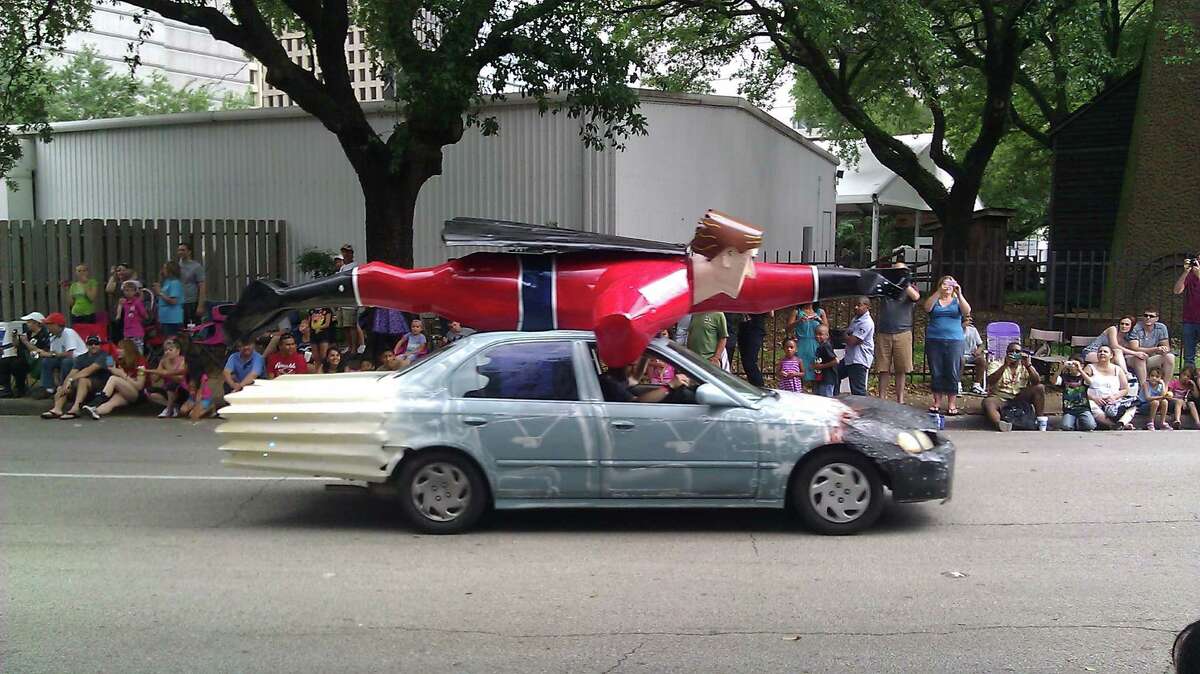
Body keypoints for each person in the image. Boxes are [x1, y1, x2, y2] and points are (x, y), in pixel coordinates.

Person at [227, 211, 911, 368]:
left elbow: (769, 286)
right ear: (724, 260)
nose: (750, 276)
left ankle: (288, 295)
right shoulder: (671, 283)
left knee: (418, 287)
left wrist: (860, 278)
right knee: (418, 289)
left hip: (516, 290)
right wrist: (642, 342)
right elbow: (617, 328)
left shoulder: (696, 281)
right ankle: (284, 297)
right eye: (743, 264)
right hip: (512, 294)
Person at [873, 262, 920, 403]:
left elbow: (916, 297)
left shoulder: (910, 287)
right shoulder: (886, 286)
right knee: (883, 367)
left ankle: (900, 399)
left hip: (903, 332)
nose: (897, 273)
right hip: (884, 331)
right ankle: (882, 398)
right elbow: (872, 292)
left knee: (901, 368)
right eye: (895, 271)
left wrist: (904, 282)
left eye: (900, 271)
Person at [923, 275, 971, 416]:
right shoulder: (936, 300)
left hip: (954, 340)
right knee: (936, 370)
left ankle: (951, 403)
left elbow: (967, 311)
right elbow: (927, 308)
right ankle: (936, 402)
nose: (948, 287)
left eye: (951, 284)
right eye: (945, 284)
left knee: (952, 371)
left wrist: (959, 293)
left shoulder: (957, 301)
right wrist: (938, 292)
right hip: (934, 339)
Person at [41, 335, 113, 420]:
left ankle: (76, 408)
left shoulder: (107, 356)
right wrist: (64, 385)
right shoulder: (81, 357)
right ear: (86, 345)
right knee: (65, 386)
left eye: (96, 344)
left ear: (99, 345)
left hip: (102, 386)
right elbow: (72, 373)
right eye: (90, 344)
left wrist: (70, 380)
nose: (93, 346)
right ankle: (57, 409)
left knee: (82, 380)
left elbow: (88, 370)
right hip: (83, 387)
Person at [982, 341, 1045, 432]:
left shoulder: (1025, 365)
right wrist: (1005, 365)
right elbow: (991, 381)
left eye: (1017, 352)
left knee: (1040, 388)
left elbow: (1037, 381)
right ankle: (1000, 424)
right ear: (1007, 353)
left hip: (1019, 396)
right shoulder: (996, 364)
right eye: (1011, 351)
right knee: (988, 402)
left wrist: (1028, 365)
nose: (1014, 354)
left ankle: (1040, 421)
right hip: (1000, 397)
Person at [82, 339, 148, 419]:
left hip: (138, 394)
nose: (118, 350)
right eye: (118, 348)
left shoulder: (140, 361)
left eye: (121, 349)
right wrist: (110, 354)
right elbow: (109, 363)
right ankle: (95, 411)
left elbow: (139, 386)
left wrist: (123, 375)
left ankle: (95, 403)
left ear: (128, 350)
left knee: (114, 379)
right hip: (124, 391)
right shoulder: (120, 359)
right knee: (112, 403)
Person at [35, 312, 87, 398]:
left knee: (66, 362)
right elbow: (54, 355)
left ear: (57, 325)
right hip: (64, 358)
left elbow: (70, 353)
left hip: (80, 359)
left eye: (49, 324)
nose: (47, 326)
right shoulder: (53, 337)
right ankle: (49, 389)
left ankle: (65, 388)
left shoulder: (68, 333)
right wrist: (48, 355)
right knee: (47, 361)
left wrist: (50, 355)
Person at [1086, 345, 1137, 430]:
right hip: (1095, 400)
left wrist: (1114, 397)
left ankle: (1122, 423)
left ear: (1111, 355)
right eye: (1100, 351)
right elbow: (1081, 388)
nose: (1102, 353)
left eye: (1105, 351)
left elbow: (1125, 389)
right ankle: (1114, 425)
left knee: (1133, 405)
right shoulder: (1090, 368)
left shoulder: (1118, 369)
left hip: (1114, 400)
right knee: (1090, 406)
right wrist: (1094, 398)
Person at [1126, 306, 1175, 392]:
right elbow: (1134, 348)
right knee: (1140, 357)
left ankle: (1165, 387)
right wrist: (1155, 349)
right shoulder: (1136, 328)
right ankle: (1144, 389)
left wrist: (1163, 349)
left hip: (1150, 358)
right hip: (1133, 357)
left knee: (1170, 357)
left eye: (1151, 316)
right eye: (1146, 315)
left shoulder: (1161, 327)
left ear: (1156, 318)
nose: (1148, 318)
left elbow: (1167, 347)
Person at [598, 362, 692, 403]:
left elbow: (635, 378)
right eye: (631, 364)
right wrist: (670, 386)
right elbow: (638, 402)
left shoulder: (618, 379)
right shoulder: (610, 383)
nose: (634, 367)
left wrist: (646, 356)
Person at [839, 296, 875, 396]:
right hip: (850, 358)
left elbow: (852, 341)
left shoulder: (866, 322)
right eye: (855, 305)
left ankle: (864, 410)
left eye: (859, 305)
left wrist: (846, 336)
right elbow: (848, 334)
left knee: (858, 390)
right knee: (835, 374)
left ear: (867, 307)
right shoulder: (856, 319)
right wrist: (848, 335)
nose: (855, 307)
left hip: (859, 359)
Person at [787, 302, 827, 392]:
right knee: (801, 371)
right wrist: (798, 321)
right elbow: (788, 328)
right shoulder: (797, 312)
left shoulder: (820, 312)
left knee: (816, 372)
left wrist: (820, 320)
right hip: (801, 345)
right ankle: (800, 391)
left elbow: (827, 329)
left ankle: (816, 393)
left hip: (816, 344)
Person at [145, 338, 188, 418]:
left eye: (170, 350)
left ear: (177, 351)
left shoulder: (183, 361)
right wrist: (160, 368)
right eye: (166, 350)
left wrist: (166, 372)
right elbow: (155, 379)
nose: (167, 352)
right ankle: (174, 406)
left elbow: (180, 378)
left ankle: (169, 409)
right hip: (168, 391)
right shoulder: (163, 361)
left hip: (181, 389)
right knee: (149, 391)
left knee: (171, 385)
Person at [16, 312, 52, 398]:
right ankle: (10, 388)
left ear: (36, 323)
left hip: (37, 358)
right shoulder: (27, 333)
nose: (27, 324)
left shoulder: (45, 335)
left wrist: (26, 342)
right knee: (7, 362)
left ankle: (21, 389)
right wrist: (15, 338)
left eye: (29, 322)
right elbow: (17, 346)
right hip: (24, 356)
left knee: (18, 364)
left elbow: (40, 351)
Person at [1174, 255, 1200, 370]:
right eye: (1198, 259)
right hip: (1189, 320)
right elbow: (1177, 290)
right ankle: (1189, 383)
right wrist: (1185, 272)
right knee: (1189, 356)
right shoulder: (1190, 275)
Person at [1056, 360, 1095, 431]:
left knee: (1091, 426)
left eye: (1075, 364)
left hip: (1083, 408)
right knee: (1066, 426)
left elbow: (1090, 382)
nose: (1073, 366)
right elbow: (1053, 381)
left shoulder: (1083, 377)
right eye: (1071, 364)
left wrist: (1080, 369)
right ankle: (1074, 423)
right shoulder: (1064, 377)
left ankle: (1079, 423)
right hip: (1069, 409)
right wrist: (1060, 368)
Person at [104, 263, 138, 337]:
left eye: (123, 270)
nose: (121, 272)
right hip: (116, 313)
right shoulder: (116, 283)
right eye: (119, 270)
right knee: (116, 335)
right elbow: (108, 289)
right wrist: (113, 275)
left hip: (129, 313)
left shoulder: (132, 283)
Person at [176, 242, 207, 322]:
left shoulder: (196, 266)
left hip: (191, 302)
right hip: (179, 302)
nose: (180, 252)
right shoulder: (176, 266)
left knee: (193, 327)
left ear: (189, 252)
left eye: (183, 250)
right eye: (179, 250)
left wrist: (200, 306)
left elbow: (202, 286)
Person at [736, 312, 769, 387]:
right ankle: (755, 386)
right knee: (745, 362)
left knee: (750, 362)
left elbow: (771, 314)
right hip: (743, 327)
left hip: (755, 328)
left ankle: (760, 387)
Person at [154, 261, 185, 337]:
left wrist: (160, 292)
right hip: (165, 318)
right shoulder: (167, 282)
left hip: (172, 319)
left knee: (171, 339)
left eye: (164, 268)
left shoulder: (175, 283)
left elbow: (173, 301)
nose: (162, 270)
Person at [118, 280, 149, 353]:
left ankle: (140, 364)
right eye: (126, 290)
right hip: (127, 332)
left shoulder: (137, 302)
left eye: (131, 291)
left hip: (136, 332)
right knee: (128, 352)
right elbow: (118, 315)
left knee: (138, 351)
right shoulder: (124, 302)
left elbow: (144, 314)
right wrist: (119, 306)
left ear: (135, 292)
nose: (129, 292)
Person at [1168, 365, 1199, 429]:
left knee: (1191, 403)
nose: (1185, 377)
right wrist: (1180, 401)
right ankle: (1177, 421)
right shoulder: (1174, 382)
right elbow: (1169, 396)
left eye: (1188, 376)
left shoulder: (1189, 386)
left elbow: (1196, 396)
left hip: (1184, 405)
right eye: (1184, 374)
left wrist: (1193, 385)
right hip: (1173, 403)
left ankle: (1198, 423)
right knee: (1179, 401)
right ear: (1180, 374)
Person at [961, 316, 987, 394]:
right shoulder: (956, 330)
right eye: (967, 319)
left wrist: (978, 351)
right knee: (961, 360)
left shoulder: (973, 330)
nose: (969, 321)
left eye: (970, 320)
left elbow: (981, 344)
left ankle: (976, 385)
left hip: (972, 355)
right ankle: (957, 384)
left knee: (981, 360)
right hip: (959, 355)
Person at [811, 324, 838, 397]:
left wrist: (821, 366)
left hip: (827, 379)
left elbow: (835, 361)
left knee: (826, 400)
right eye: (816, 334)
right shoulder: (820, 347)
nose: (817, 336)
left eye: (820, 334)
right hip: (820, 378)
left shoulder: (826, 346)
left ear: (827, 335)